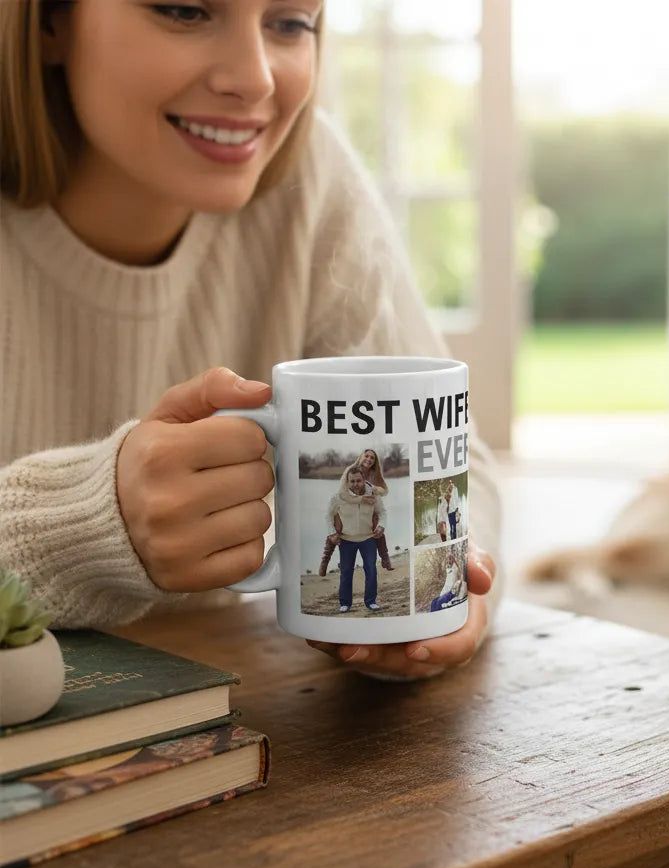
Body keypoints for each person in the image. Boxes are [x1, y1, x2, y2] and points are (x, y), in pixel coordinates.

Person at [0, 0, 500, 679]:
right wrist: (89, 524)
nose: (258, 79)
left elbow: (453, 448)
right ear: (50, 21)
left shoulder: (311, 177)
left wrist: (448, 596)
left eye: (291, 22)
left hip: (256, 717)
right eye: (183, 10)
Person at [319, 449, 393, 575]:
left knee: (377, 521)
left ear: (375, 462)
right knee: (335, 524)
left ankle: (385, 558)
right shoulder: (350, 470)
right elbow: (343, 495)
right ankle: (325, 560)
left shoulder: (375, 474)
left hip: (367, 508)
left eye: (372, 458)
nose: (369, 459)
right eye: (367, 456)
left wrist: (375, 490)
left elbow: (385, 491)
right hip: (346, 505)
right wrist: (363, 499)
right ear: (361, 456)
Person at [330, 466, 382, 614]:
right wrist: (332, 533)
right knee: (346, 571)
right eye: (352, 481)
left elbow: (382, 512)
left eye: (358, 480)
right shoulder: (339, 497)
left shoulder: (372, 494)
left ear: (363, 480)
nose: (356, 484)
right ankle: (345, 603)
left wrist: (381, 526)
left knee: (371, 570)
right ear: (347, 482)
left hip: (368, 538)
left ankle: (371, 601)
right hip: (347, 540)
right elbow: (329, 516)